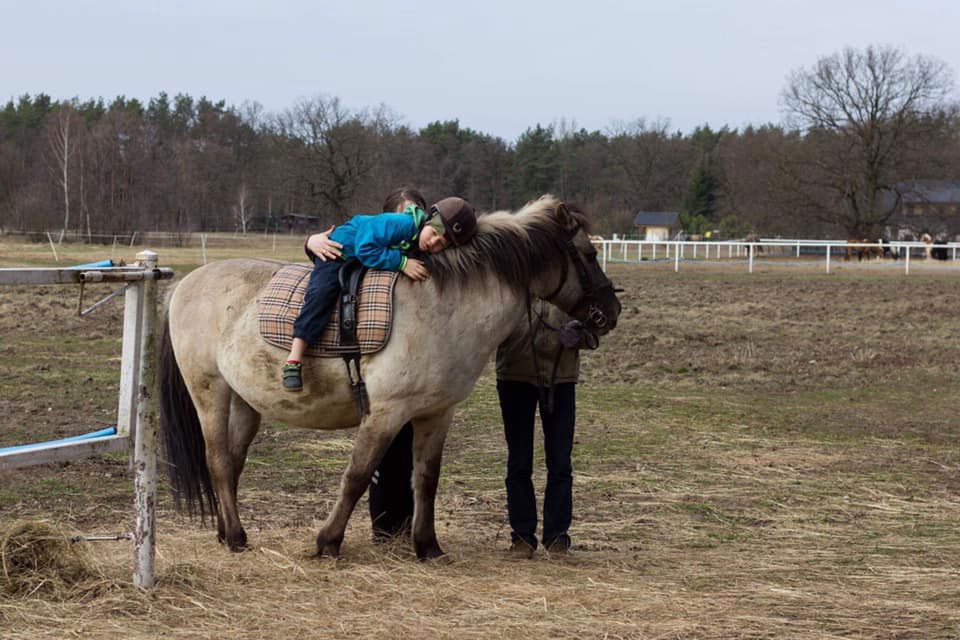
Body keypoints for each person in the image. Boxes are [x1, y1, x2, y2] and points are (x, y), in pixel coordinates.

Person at [300, 188, 448, 543]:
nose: (411, 218)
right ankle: (383, 528)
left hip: (418, 368)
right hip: (387, 365)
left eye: (417, 212)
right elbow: (341, 246)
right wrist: (310, 241)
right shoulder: (383, 238)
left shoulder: (429, 247)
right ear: (388, 216)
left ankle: (406, 526)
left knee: (410, 454)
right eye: (404, 212)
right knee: (384, 454)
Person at [282, 193, 477, 392]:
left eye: (441, 243)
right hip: (339, 252)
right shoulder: (403, 224)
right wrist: (401, 262)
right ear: (428, 221)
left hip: (360, 258)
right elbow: (365, 247)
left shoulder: (419, 240)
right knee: (321, 295)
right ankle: (294, 358)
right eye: (434, 233)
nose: (433, 242)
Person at [496, 299, 596, 558]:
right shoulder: (511, 282)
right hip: (515, 376)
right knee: (519, 462)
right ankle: (522, 538)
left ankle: (557, 538)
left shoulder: (570, 285)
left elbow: (597, 326)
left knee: (560, 462)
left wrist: (581, 335)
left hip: (560, 378)